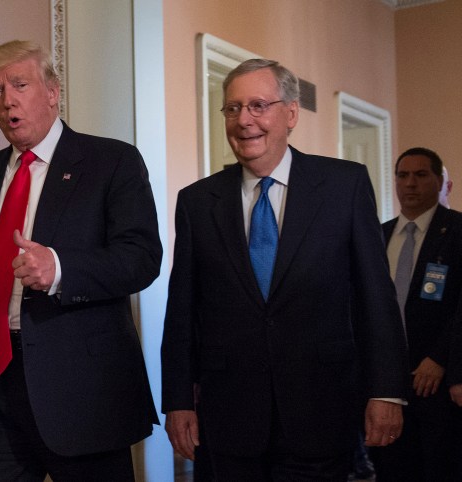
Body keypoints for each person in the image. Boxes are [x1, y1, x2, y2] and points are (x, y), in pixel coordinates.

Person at [0, 40, 162, 481]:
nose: (7, 101)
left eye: (19, 84)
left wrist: (60, 269)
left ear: (53, 90)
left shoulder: (110, 161)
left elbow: (141, 258)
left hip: (83, 394)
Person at [160, 58, 408, 481]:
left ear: (291, 113)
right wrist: (178, 400)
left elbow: (375, 298)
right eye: (233, 108)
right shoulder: (198, 202)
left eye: (258, 106)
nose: (244, 121)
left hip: (321, 413)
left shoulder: (343, 186)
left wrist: (387, 391)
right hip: (228, 420)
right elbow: (182, 309)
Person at [370, 147, 462, 481]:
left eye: (421, 175)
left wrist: (441, 358)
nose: (410, 184)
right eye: (403, 175)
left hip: (438, 382)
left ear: (440, 182)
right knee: (392, 468)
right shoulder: (377, 235)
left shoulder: (456, 231)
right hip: (386, 382)